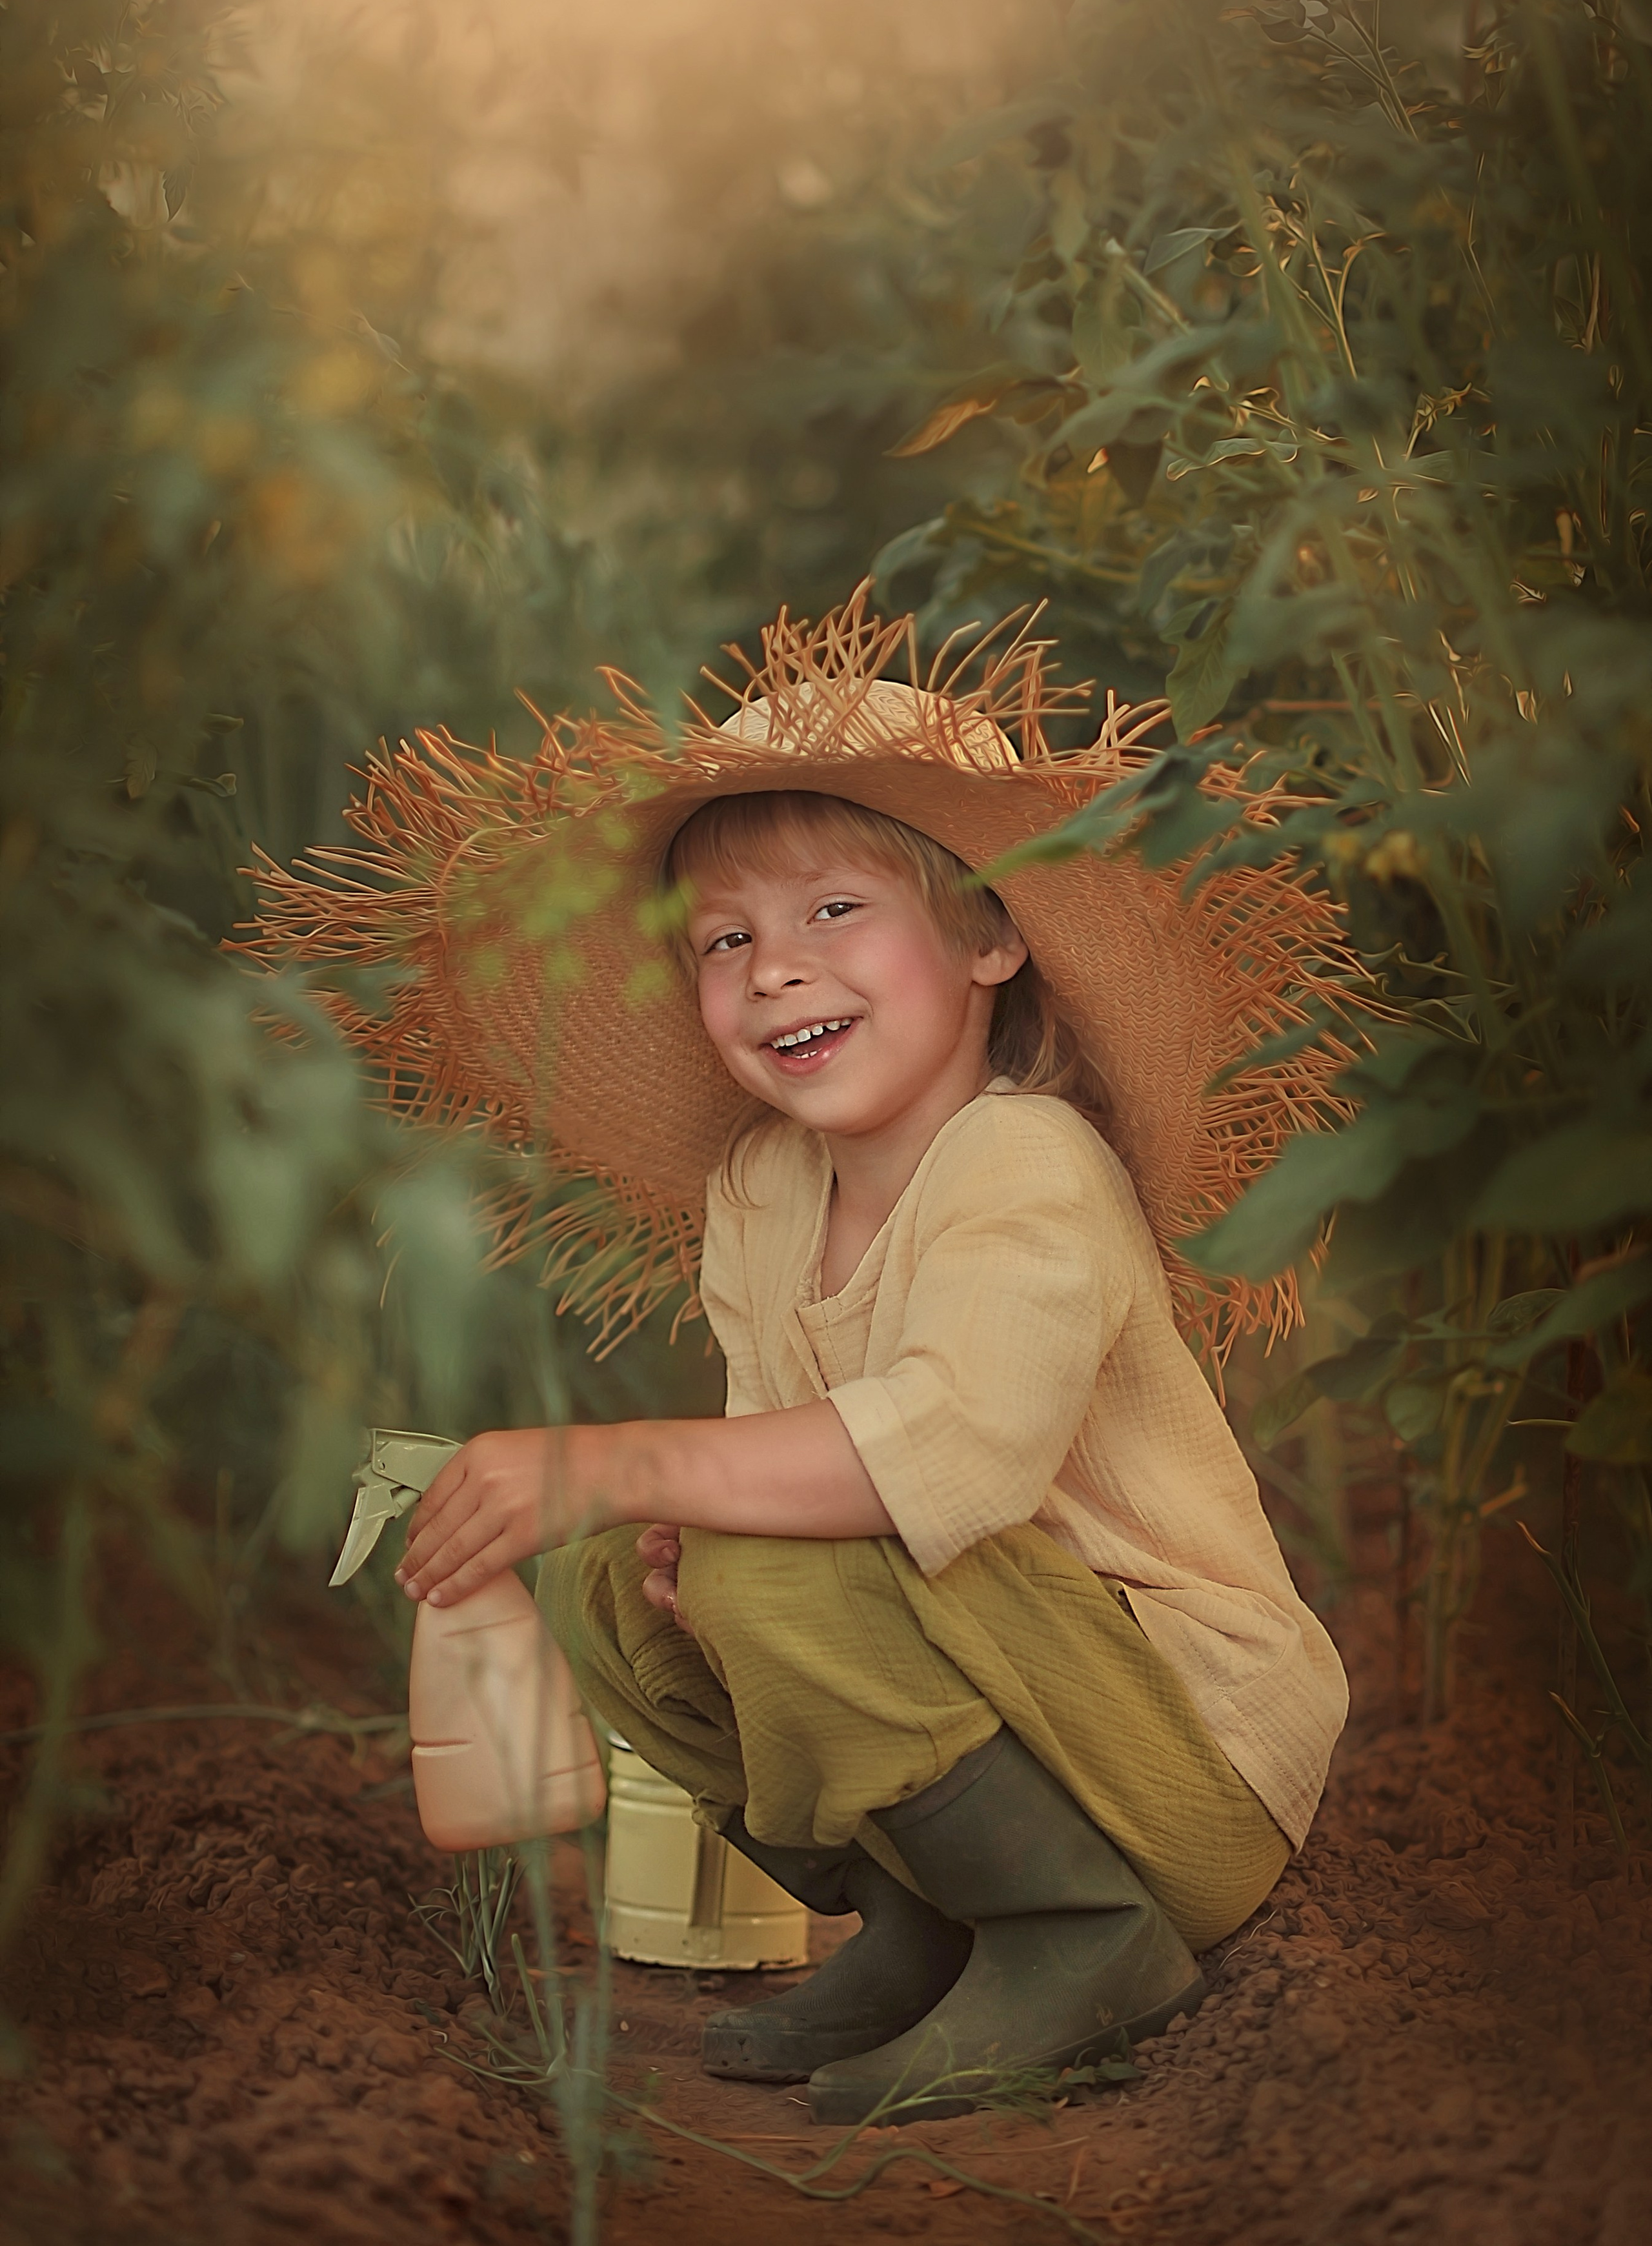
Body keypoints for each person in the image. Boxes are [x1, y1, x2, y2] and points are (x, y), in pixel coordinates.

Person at [248, 585, 1350, 2124]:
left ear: (985, 942)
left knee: (761, 1554)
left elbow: (951, 1457)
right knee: (628, 1580)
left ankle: (1078, 1935)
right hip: (1000, 1702)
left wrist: (621, 1464)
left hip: (1173, 1763)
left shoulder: (1024, 1164)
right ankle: (923, 1922)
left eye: (834, 911)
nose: (773, 968)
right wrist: (662, 1535)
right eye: (725, 939)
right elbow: (766, 1477)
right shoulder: (761, 1191)